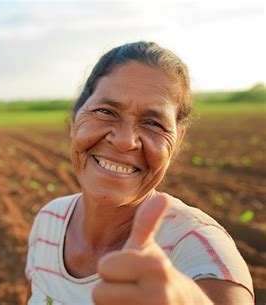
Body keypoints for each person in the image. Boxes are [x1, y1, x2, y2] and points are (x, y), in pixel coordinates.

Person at [25, 42, 254, 305]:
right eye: (105, 112)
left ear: (177, 142)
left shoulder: (197, 251)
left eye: (153, 123)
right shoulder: (49, 220)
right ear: (76, 120)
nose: (125, 141)